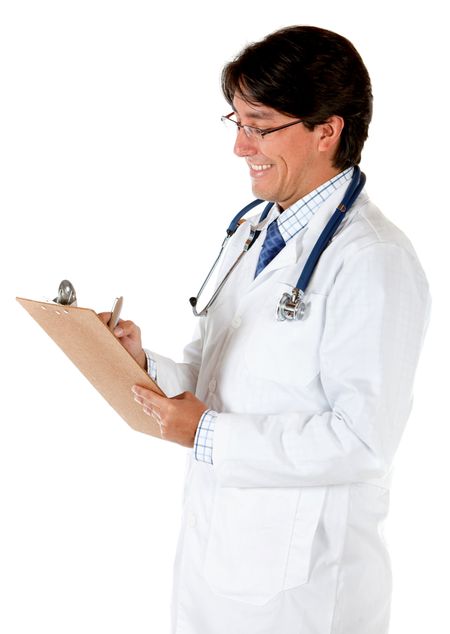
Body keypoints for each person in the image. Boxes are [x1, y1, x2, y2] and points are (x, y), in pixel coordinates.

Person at [100, 25, 430, 634]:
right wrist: (140, 364)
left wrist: (207, 435)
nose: (240, 148)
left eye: (260, 125)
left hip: (304, 594)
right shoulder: (254, 230)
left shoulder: (372, 259)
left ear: (327, 129)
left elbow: (363, 441)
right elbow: (219, 378)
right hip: (221, 564)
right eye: (237, 123)